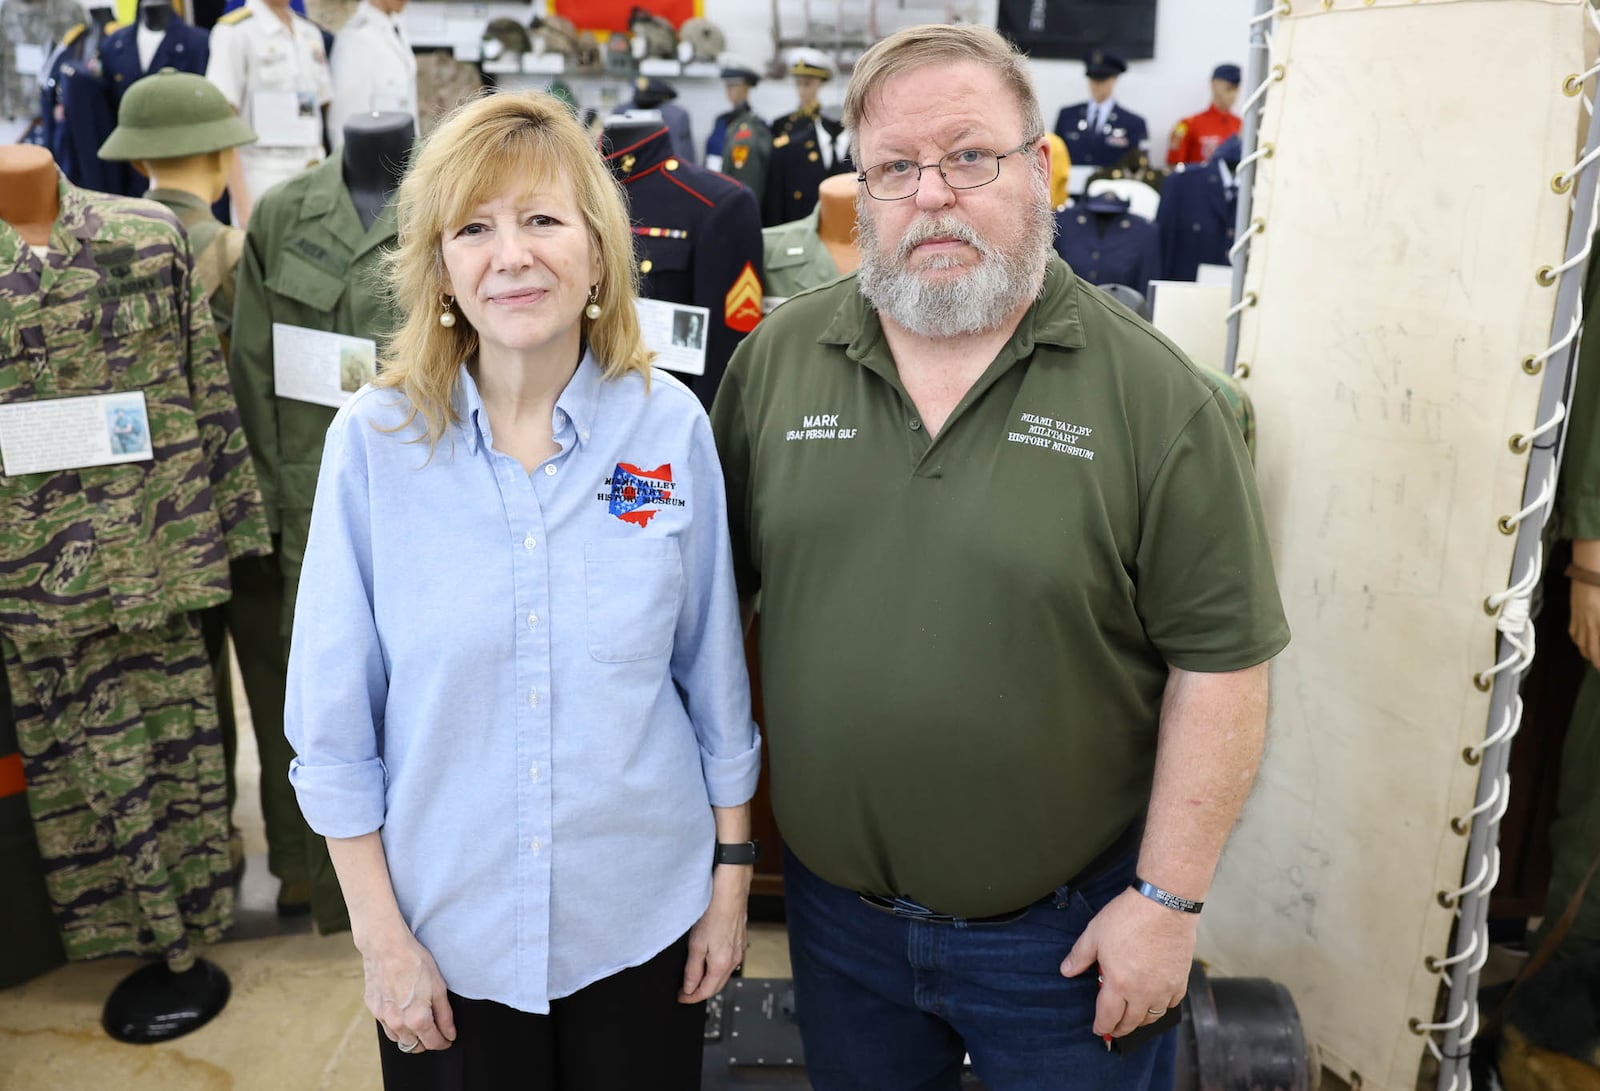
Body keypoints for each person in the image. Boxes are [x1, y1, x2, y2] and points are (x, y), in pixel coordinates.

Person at [709, 24, 1289, 1091]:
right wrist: (726, 856)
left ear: (1036, 171)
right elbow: (703, 627)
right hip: (842, 934)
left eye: (968, 156)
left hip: (1066, 943)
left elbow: (1223, 666)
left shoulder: (1156, 399)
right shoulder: (776, 366)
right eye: (895, 168)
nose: (932, 194)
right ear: (863, 193)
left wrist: (1166, 902)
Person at [283, 91, 762, 1090]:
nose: (512, 255)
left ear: (596, 249)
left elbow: (713, 677)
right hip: (448, 942)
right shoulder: (369, 448)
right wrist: (382, 939)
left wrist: (729, 878)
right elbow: (332, 730)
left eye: (542, 219)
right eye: (475, 227)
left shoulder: (669, 430)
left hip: (638, 924)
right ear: (440, 265)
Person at [205, 0, 333, 225]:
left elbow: (318, 109)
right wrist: (244, 210)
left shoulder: (309, 33)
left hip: (315, 178)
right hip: (263, 180)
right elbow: (222, 122)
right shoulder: (234, 32)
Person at [327, 0, 417, 149]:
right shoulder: (356, 38)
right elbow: (345, 122)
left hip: (401, 161)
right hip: (372, 163)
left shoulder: (396, 29)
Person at [1053, 50, 1148, 171]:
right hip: (1070, 186)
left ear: (1114, 79)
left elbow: (1138, 165)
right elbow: (1055, 156)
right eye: (1093, 78)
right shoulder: (1067, 116)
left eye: (1102, 79)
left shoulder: (1133, 123)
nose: (1096, 85)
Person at [1167, 63, 1242, 167]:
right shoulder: (1188, 125)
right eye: (1228, 89)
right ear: (1214, 85)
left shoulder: (1240, 126)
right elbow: (1175, 167)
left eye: (1236, 89)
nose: (1233, 95)